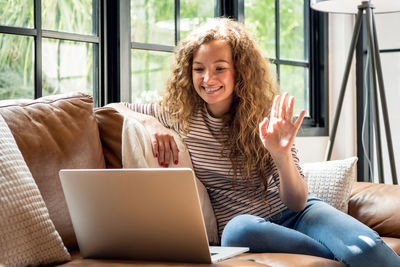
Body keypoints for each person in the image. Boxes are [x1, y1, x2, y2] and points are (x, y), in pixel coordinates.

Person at [124, 18, 400, 267]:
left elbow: (297, 202)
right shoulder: (178, 115)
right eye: (199, 69)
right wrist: (150, 123)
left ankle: (346, 255)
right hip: (249, 228)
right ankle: (338, 255)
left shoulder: (266, 117)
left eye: (220, 68)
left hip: (300, 214)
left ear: (240, 71)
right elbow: (111, 108)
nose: (208, 79)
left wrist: (280, 154)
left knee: (365, 247)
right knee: (237, 230)